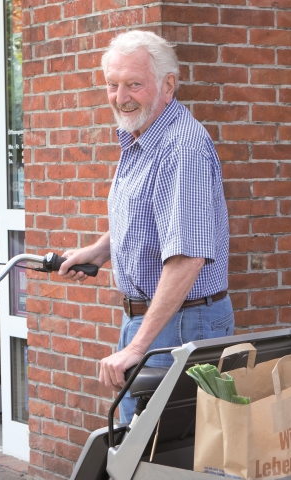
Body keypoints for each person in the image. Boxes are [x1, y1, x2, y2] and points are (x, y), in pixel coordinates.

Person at [58, 30, 233, 422]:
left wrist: (137, 347)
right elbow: (151, 219)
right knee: (144, 456)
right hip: (159, 321)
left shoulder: (180, 149)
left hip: (182, 324)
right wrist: (100, 251)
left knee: (162, 464)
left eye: (134, 84)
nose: (121, 97)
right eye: (112, 85)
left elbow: (188, 256)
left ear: (168, 86)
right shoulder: (140, 136)